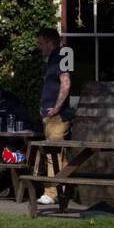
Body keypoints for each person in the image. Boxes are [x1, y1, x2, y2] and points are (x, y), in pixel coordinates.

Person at [35, 27, 73, 204]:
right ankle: (60, 191)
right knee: (58, 156)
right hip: (51, 115)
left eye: (41, 44)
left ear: (50, 43)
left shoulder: (62, 55)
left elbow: (65, 83)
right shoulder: (54, 58)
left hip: (56, 116)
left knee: (53, 154)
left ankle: (52, 193)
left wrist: (56, 108)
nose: (40, 47)